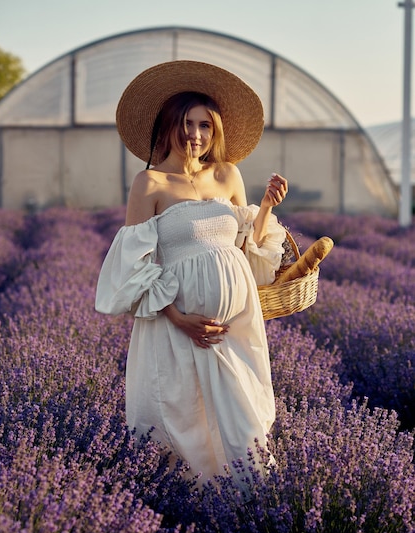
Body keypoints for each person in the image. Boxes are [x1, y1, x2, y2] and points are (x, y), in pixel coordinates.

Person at [95, 60, 288, 486]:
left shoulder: (227, 174)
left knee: (242, 422)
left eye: (205, 125)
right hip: (178, 327)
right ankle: (188, 518)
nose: (196, 135)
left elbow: (246, 247)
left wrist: (268, 207)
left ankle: (253, 513)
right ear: (169, 125)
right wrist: (180, 319)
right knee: (186, 420)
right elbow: (134, 268)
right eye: (187, 123)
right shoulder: (150, 184)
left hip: (234, 328)